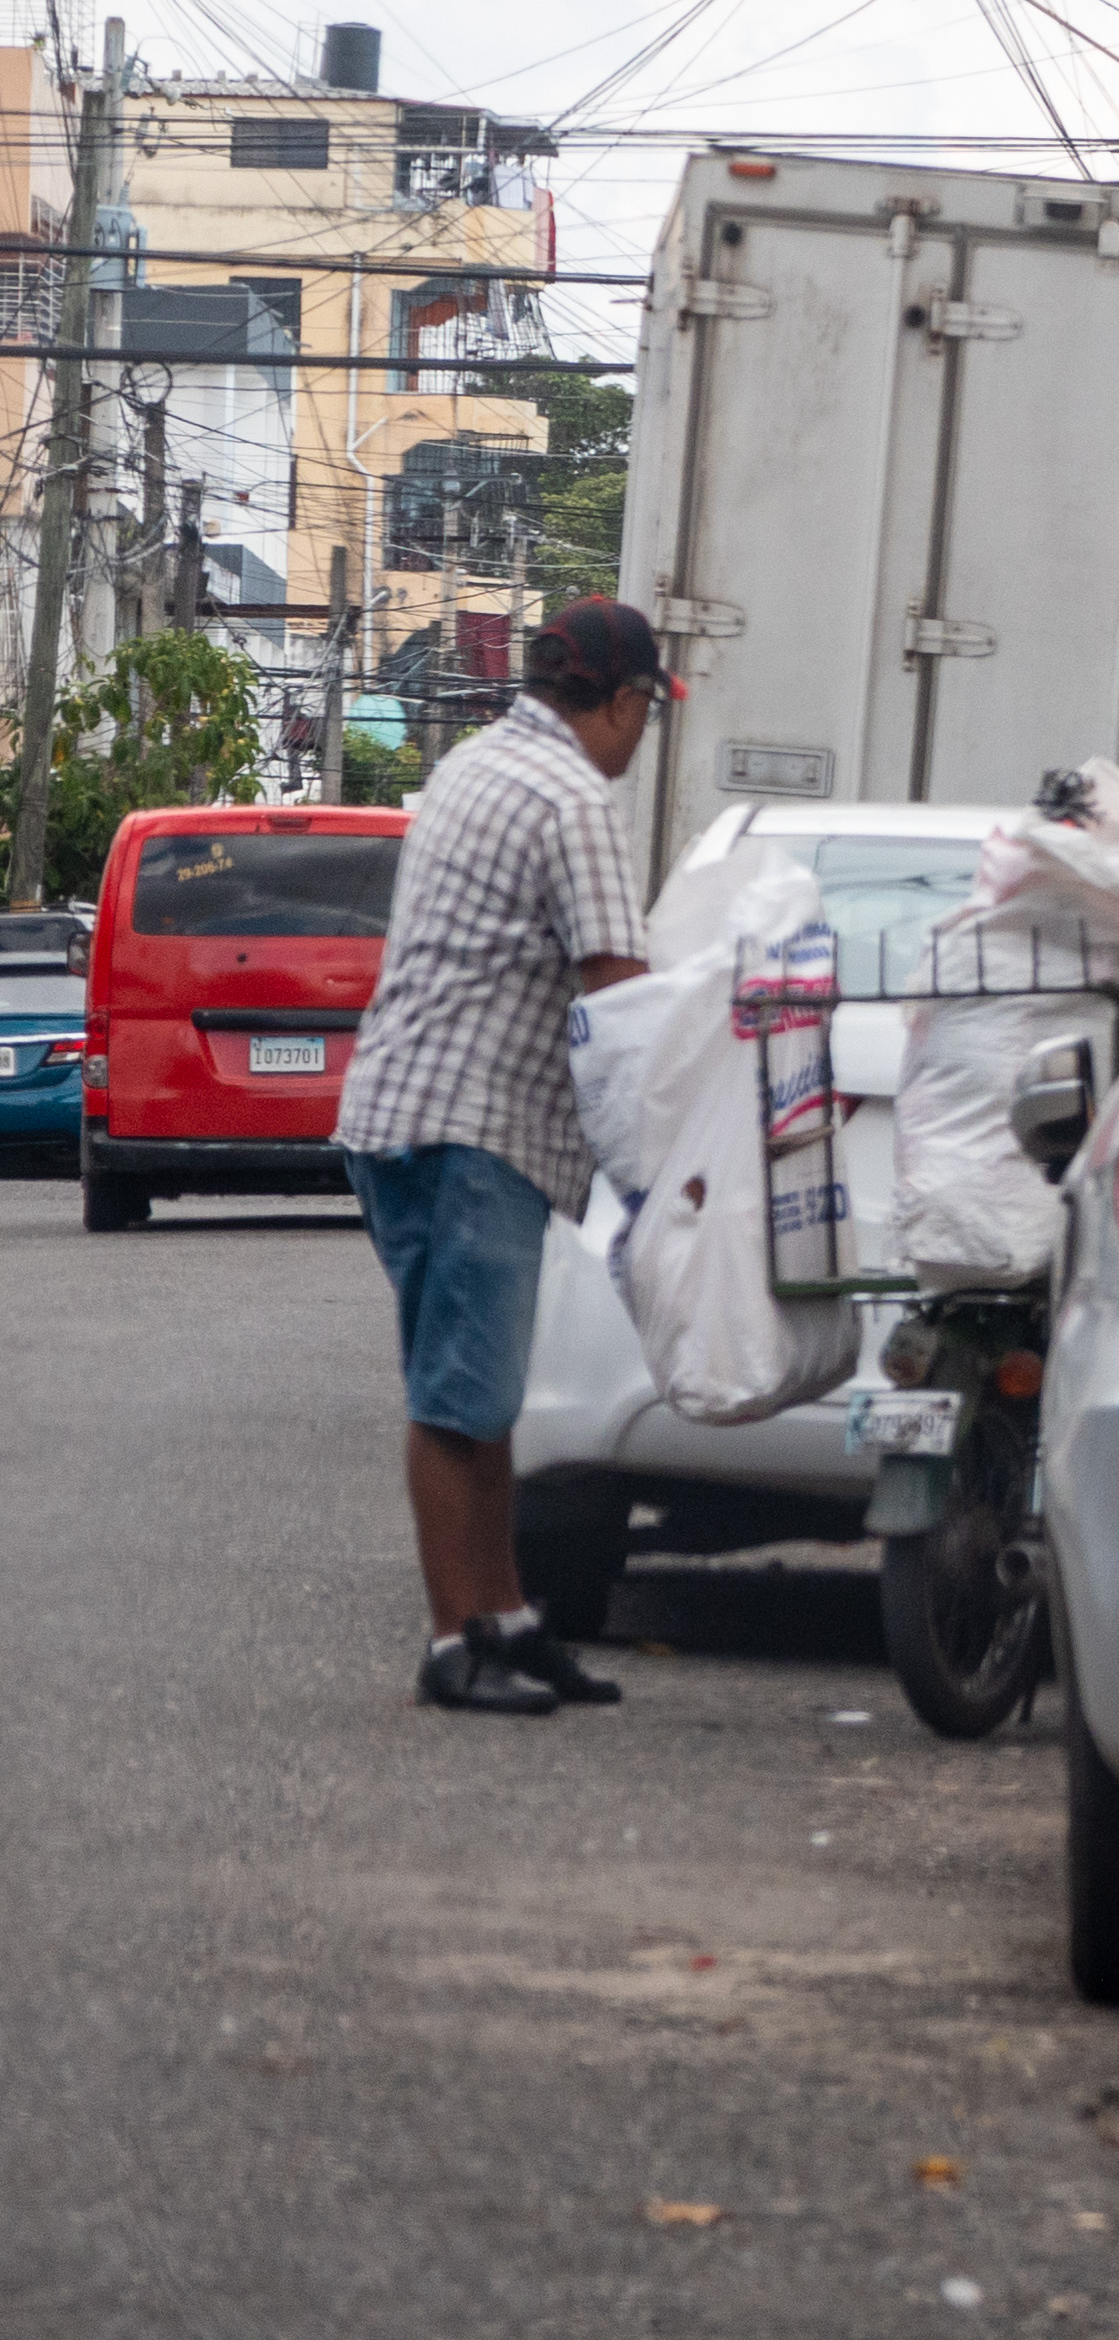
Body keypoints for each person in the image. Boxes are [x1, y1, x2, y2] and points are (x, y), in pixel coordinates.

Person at [329, 599, 668, 1716]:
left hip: (405, 1112)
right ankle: (452, 1643)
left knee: (485, 1393)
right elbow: (618, 987)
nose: (641, 736)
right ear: (620, 701)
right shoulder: (574, 796)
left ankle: (508, 1620)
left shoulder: (473, 763)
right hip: (472, 1127)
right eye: (646, 712)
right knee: (456, 1398)